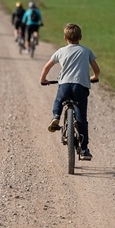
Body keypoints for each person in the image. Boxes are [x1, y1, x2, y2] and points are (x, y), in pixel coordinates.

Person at [39, 23, 100, 160]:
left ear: (64, 37)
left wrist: (43, 79)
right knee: (81, 119)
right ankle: (84, 150)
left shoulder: (60, 51)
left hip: (65, 85)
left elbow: (46, 67)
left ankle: (56, 117)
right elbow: (97, 70)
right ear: (81, 37)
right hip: (80, 86)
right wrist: (94, 77)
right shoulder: (86, 51)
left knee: (59, 100)